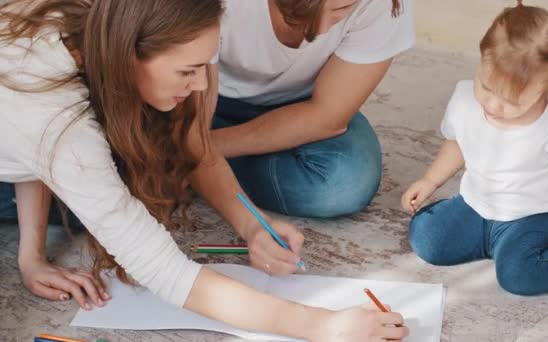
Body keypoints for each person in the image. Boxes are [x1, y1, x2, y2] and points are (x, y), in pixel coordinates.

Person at [0, 1, 407, 340]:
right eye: (187, 71)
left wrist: (31, 256)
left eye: (205, 66)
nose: (199, 86)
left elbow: (38, 152)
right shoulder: (59, 124)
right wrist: (324, 325)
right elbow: (164, 272)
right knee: (99, 197)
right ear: (131, 52)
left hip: (30, 137)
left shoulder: (94, 29)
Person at [402, 0, 548, 296]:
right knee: (426, 237)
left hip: (539, 215)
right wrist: (429, 180)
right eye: (485, 86)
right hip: (478, 205)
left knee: (517, 276)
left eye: (511, 101)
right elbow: (458, 143)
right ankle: (503, 247)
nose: (492, 105)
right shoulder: (464, 98)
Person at [210, 0, 415, 218]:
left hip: (304, 106)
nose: (320, 31)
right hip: (204, 94)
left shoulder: (382, 4)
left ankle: (193, 168)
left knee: (344, 185)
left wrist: (198, 150)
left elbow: (327, 116)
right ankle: (200, 166)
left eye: (340, 10)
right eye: (296, 12)